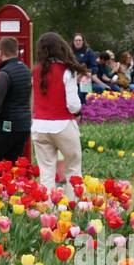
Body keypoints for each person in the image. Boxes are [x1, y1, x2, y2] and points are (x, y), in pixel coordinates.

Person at [31, 31, 85, 190]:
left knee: (46, 171)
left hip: (40, 125)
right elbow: (73, 104)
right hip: (62, 124)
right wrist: (78, 112)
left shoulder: (35, 70)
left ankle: (46, 208)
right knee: (73, 168)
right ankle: (73, 205)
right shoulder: (66, 70)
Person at [0, 36, 32, 166]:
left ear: (2, 52)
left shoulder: (3, 74)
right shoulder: (26, 70)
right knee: (14, 166)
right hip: (23, 125)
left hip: (5, 125)